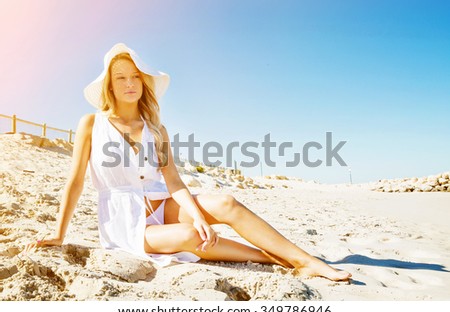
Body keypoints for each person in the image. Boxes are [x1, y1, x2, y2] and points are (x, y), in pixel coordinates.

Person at [24, 43, 351, 281]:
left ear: (143, 82)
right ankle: (276, 259)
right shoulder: (91, 124)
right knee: (189, 237)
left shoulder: (156, 129)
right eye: (120, 78)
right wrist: (58, 233)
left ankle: (305, 260)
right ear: (110, 84)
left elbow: (174, 183)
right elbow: (76, 181)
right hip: (124, 222)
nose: (128, 84)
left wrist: (198, 216)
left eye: (135, 77)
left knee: (225, 202)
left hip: (161, 204)